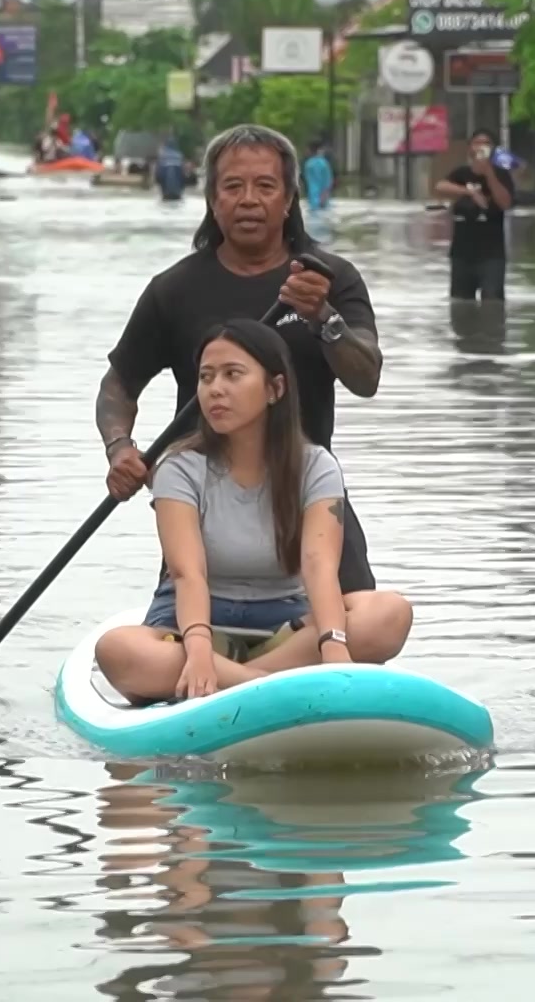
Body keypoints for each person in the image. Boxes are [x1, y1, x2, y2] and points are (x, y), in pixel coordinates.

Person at [98, 124, 387, 600]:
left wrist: (323, 317)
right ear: (212, 200)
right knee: (187, 625)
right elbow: (119, 385)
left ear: (289, 199)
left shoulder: (328, 279)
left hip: (309, 490)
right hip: (204, 502)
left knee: (368, 617)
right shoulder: (174, 289)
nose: (248, 200)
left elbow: (367, 377)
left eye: (265, 186)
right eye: (233, 186)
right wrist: (120, 448)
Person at [95, 320, 414, 702]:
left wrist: (333, 646)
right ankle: (266, 682)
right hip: (194, 625)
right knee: (116, 650)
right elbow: (187, 573)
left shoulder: (317, 466)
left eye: (232, 375)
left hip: (286, 626)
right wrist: (198, 650)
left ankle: (238, 678)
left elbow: (319, 566)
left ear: (275, 388)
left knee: (390, 613)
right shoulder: (178, 468)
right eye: (206, 377)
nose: (215, 389)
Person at [435, 128, 515, 302]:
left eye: (486, 144)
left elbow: (505, 203)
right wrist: (469, 192)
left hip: (492, 254)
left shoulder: (502, 174)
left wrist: (489, 173)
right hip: (462, 254)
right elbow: (440, 187)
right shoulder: (461, 173)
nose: (481, 147)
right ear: (469, 148)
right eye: (477, 143)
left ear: (493, 149)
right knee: (460, 303)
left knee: (493, 302)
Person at [303, 140, 335, 210]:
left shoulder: (309, 164)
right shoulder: (323, 163)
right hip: (321, 199)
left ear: (310, 150)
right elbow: (328, 181)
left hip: (314, 199)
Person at [156, 137, 187, 201]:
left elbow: (159, 170)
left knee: (159, 176)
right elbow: (183, 169)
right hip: (177, 174)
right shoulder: (179, 154)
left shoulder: (163, 154)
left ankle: (164, 191)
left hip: (166, 174)